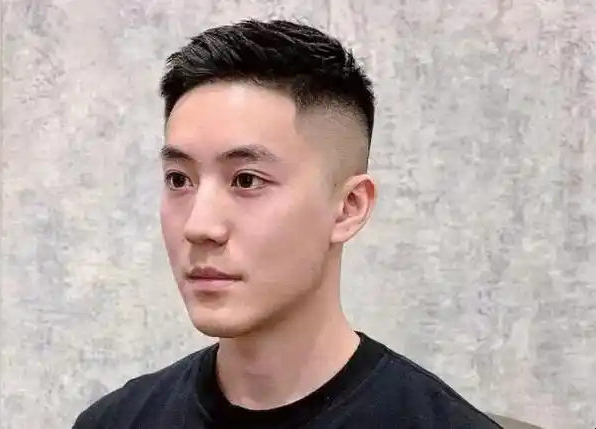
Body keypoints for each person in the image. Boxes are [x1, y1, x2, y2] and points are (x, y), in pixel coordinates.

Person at [72, 19, 501, 429]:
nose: (199, 226)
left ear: (348, 207)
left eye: (246, 180)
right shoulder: (115, 422)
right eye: (179, 180)